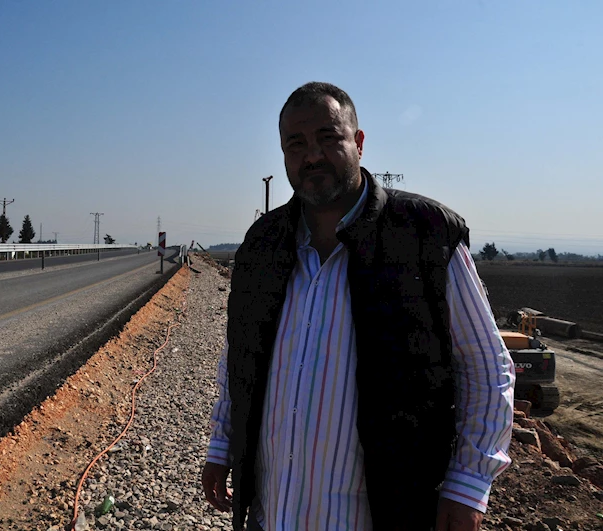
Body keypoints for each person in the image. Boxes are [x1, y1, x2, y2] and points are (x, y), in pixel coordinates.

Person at [201, 82, 514, 531]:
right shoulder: (263, 245)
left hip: (381, 513)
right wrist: (221, 446)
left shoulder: (423, 234)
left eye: (328, 138)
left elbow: (486, 368)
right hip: (274, 514)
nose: (312, 155)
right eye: (297, 143)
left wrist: (468, 485)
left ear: (359, 143)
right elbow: (240, 357)